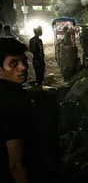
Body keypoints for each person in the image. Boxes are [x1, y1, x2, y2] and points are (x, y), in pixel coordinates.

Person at [0, 38, 44, 183]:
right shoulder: (10, 101)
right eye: (13, 64)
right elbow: (16, 164)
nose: (23, 67)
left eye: (24, 61)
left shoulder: (15, 93)